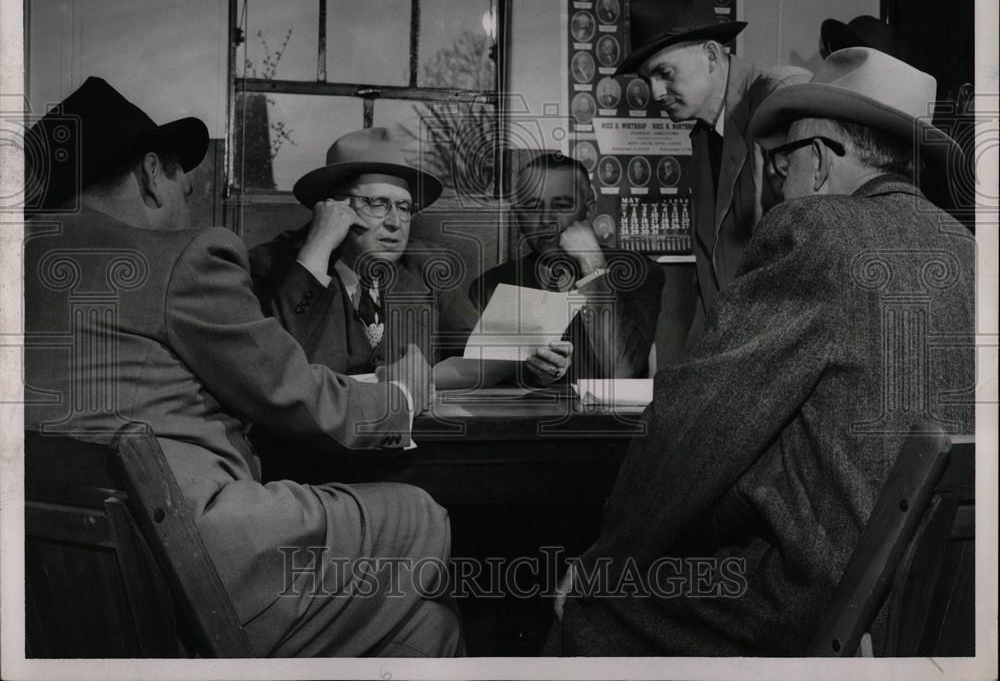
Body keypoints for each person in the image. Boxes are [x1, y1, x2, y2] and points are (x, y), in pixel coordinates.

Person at [547, 48, 974, 655]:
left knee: (591, 611)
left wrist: (606, 556)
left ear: (820, 162)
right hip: (951, 605)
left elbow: (694, 427)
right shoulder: (971, 250)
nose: (778, 183)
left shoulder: (816, 230)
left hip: (832, 604)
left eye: (781, 163)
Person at [23, 78, 463, 657]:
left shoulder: (25, 268)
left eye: (403, 207)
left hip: (76, 573)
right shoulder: (199, 259)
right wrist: (402, 396)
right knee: (423, 515)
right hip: (193, 566)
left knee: (427, 630)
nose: (185, 197)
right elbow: (289, 384)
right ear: (152, 173)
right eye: (375, 204)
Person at [616, 0, 811, 362]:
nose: (654, 92)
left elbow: (809, 256)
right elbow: (712, 290)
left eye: (664, 72)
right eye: (646, 79)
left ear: (710, 55)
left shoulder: (780, 98)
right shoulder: (704, 136)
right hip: (742, 355)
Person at [249, 127, 479, 376]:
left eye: (404, 207)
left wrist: (417, 382)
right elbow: (273, 367)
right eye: (377, 203)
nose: (394, 222)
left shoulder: (427, 269)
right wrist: (317, 249)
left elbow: (487, 354)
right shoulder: (271, 267)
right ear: (336, 208)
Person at [470, 153, 664, 380]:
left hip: (610, 415)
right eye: (533, 207)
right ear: (518, 216)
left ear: (589, 211)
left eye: (561, 205)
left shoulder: (638, 272)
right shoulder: (492, 286)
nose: (546, 220)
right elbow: (486, 378)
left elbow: (623, 370)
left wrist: (592, 267)